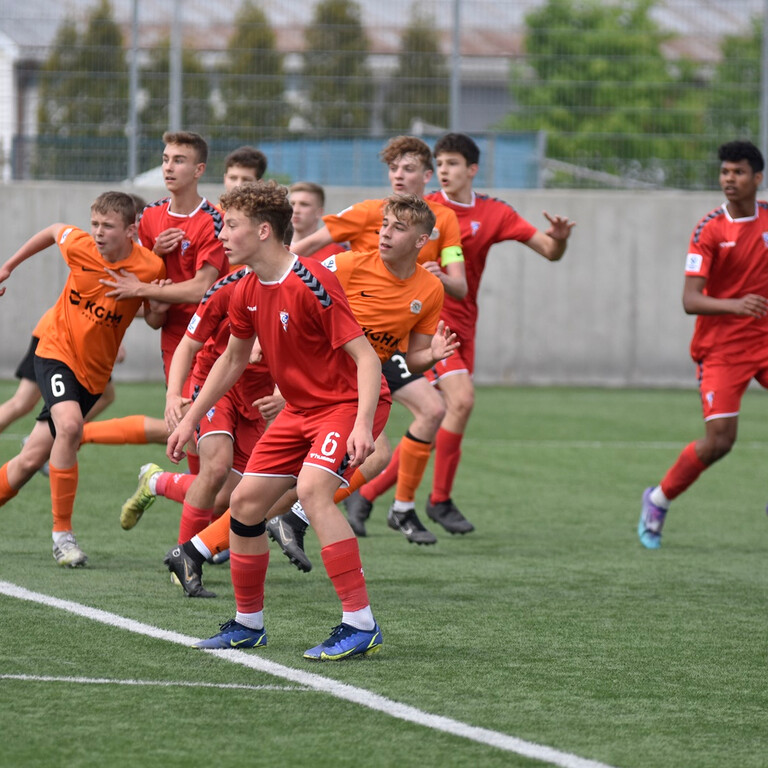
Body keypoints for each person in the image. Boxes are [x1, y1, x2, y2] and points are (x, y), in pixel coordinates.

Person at [167, 180, 391, 660]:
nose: (222, 235)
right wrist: (191, 418)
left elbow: (367, 359)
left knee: (312, 490)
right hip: (300, 411)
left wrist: (363, 425)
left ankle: (360, 623)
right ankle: (249, 624)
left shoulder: (312, 281)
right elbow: (231, 361)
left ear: (264, 231)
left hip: (345, 405)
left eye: (232, 225)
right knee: (246, 504)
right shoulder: (243, 288)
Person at [347, 132, 575, 535]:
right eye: (441, 163)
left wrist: (560, 240)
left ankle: (370, 495)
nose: (445, 171)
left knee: (435, 415)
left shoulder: (491, 213)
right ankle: (435, 500)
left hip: (463, 328)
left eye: (453, 164)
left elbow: (548, 251)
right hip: (426, 330)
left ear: (472, 169)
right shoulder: (421, 214)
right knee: (455, 403)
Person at [295, 135, 468, 544]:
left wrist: (442, 279)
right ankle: (289, 512)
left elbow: (458, 280)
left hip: (393, 342)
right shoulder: (370, 212)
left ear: (427, 176)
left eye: (408, 169)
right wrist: (273, 272)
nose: (399, 176)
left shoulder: (443, 219)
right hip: (348, 346)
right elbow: (312, 249)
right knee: (366, 450)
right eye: (393, 169)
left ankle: (399, 506)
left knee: (432, 411)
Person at [0, 192, 165, 566]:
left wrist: (149, 296)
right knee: (71, 426)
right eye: (95, 224)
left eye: (108, 226)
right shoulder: (80, 245)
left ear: (131, 230)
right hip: (54, 349)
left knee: (29, 460)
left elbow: (154, 319)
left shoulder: (150, 267)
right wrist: (8, 266)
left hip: (94, 372)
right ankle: (63, 536)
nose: (99, 233)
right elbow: (53, 230)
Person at [118, 267, 278, 597]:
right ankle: (185, 560)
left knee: (233, 497)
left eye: (235, 227)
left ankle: (156, 481)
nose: (227, 238)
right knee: (216, 468)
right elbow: (188, 345)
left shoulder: (300, 287)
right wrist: (173, 395)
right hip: (213, 387)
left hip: (256, 401)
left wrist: (282, 395)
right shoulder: (227, 288)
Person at [640, 140, 768, 549]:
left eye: (739, 172)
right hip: (722, 350)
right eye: (725, 172)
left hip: (764, 340)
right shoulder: (710, 229)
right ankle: (658, 499)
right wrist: (737, 305)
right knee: (720, 441)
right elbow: (689, 300)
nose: (729, 179)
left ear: (757, 179)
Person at [88, 132, 231, 463]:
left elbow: (201, 289)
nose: (168, 167)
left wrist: (144, 290)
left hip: (215, 333)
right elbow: (152, 309)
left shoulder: (212, 220)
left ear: (198, 170)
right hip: (174, 334)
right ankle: (200, 501)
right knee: (188, 428)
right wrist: (152, 264)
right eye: (165, 159)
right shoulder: (150, 216)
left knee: (212, 435)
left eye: (178, 160)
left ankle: (183, 491)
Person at [288, 182, 346, 260]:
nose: (295, 210)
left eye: (304, 204)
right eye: (292, 204)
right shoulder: (276, 248)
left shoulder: (337, 252)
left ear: (319, 212)